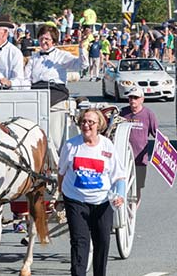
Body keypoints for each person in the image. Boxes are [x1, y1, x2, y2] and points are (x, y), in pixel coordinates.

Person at [58, 109, 125, 276]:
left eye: (90, 122)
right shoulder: (71, 145)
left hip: (102, 201)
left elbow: (119, 176)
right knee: (80, 242)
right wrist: (61, 194)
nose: (86, 125)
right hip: (75, 199)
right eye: (83, 122)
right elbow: (61, 173)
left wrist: (121, 195)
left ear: (99, 125)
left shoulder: (107, 146)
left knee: (102, 241)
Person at [24, 25, 86, 106]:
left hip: (56, 89)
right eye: (41, 39)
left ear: (53, 41)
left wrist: (81, 49)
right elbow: (26, 78)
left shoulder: (61, 55)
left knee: (42, 104)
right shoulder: (34, 57)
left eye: (47, 39)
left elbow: (82, 65)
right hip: (37, 88)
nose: (43, 42)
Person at [119, 87, 158, 207]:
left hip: (140, 158)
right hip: (123, 157)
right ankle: (123, 206)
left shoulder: (148, 114)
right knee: (122, 184)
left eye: (136, 98)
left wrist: (164, 140)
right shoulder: (122, 113)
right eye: (131, 97)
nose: (132, 100)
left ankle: (133, 210)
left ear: (142, 99)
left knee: (137, 187)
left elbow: (155, 133)